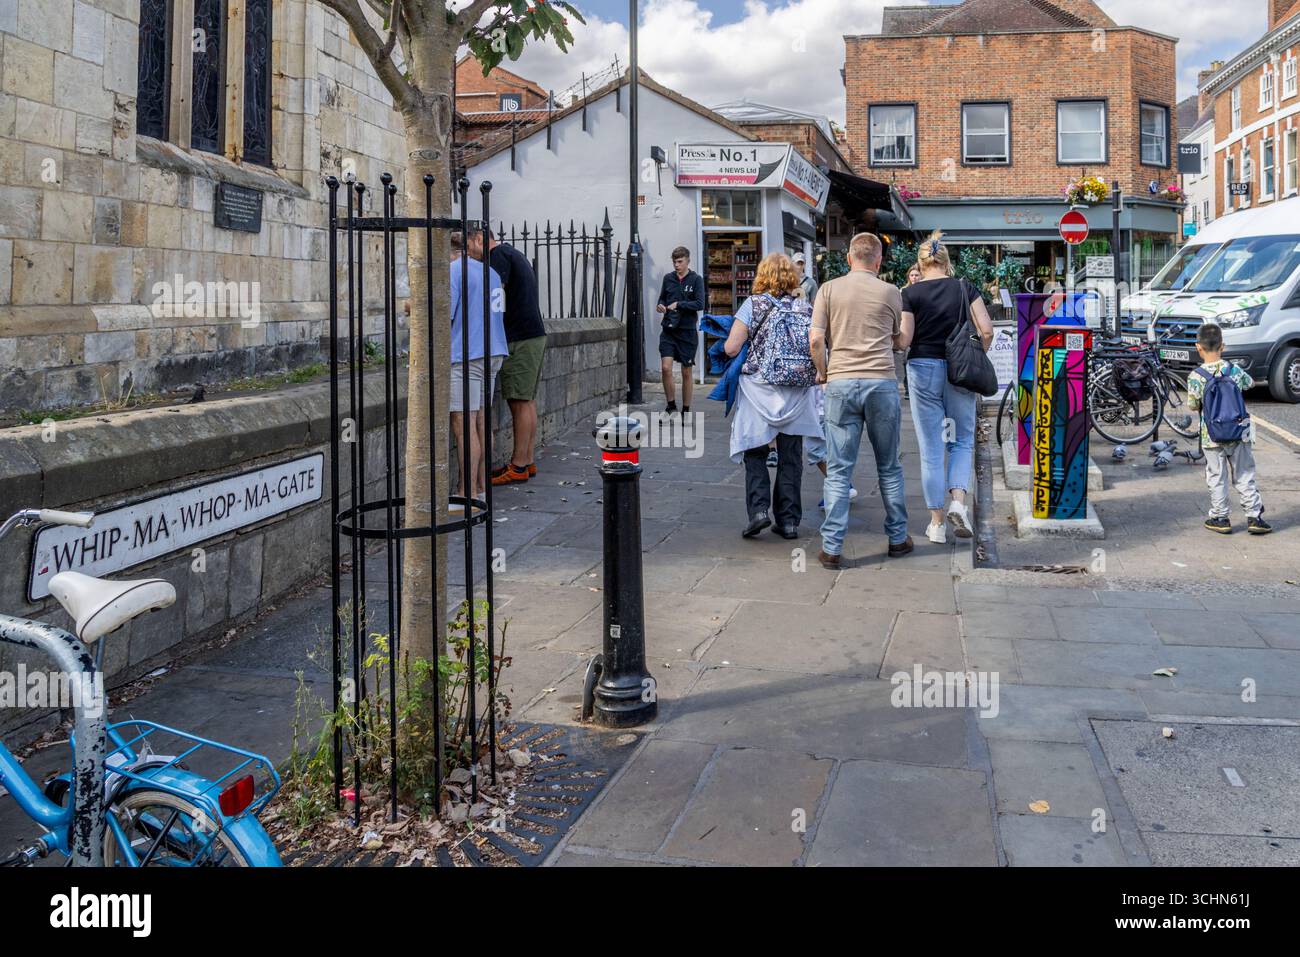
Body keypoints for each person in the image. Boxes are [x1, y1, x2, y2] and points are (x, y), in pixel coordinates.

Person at [810, 232, 910, 568]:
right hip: (881, 382)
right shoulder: (890, 292)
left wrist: (823, 373)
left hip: (840, 381)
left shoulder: (828, 289)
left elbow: (816, 340)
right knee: (890, 467)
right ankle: (897, 538)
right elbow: (898, 340)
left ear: (849, 258)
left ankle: (832, 547)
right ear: (878, 260)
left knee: (838, 470)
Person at [898, 230, 994, 545]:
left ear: (921, 264)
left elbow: (905, 340)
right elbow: (987, 330)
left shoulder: (910, 294)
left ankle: (936, 524)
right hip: (958, 371)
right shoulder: (964, 288)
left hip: (923, 368)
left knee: (931, 447)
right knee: (961, 440)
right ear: (945, 261)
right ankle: (958, 503)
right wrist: (975, 358)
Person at [722, 252, 821, 540]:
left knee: (755, 450)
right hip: (796, 390)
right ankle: (788, 521)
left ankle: (758, 512)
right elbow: (817, 343)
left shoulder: (753, 304)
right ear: (792, 276)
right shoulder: (805, 306)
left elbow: (731, 347)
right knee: (791, 456)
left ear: (762, 275)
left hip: (759, 388)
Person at [465, 229, 546, 487]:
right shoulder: (512, 252)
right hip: (532, 335)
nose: (470, 256)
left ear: (479, 239)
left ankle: (518, 465)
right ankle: (527, 460)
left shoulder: (497, 256)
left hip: (518, 339)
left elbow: (494, 298)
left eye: (469, 247)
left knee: (519, 402)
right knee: (527, 401)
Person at [1187, 323, 1271, 535]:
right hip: (1239, 432)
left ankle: (1220, 517)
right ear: (1222, 346)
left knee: (1216, 476)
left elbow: (1193, 404)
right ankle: (1254, 516)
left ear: (1199, 347)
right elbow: (1250, 383)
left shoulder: (1195, 376)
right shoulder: (1234, 370)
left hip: (1211, 435)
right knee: (1244, 473)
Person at [449, 235, 508, 510]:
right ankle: (482, 487)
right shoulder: (491, 272)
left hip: (467, 354)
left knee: (464, 426)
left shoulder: (454, 271)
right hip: (494, 349)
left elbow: (442, 314)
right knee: (483, 421)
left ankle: (466, 492)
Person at [656, 246, 706, 414]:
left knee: (686, 372)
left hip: (687, 331)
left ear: (687, 261)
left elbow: (700, 304)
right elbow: (662, 297)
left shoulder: (696, 280)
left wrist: (679, 304)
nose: (676, 265)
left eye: (680, 262)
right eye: (674, 262)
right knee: (665, 368)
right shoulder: (668, 279)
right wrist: (660, 306)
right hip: (669, 330)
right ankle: (671, 406)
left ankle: (686, 409)